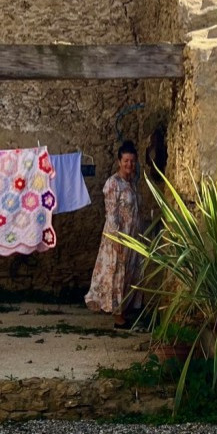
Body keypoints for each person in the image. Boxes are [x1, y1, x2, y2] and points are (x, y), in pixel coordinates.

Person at [84, 140, 143, 328]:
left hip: (132, 235)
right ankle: (118, 317)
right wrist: (116, 237)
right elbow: (111, 212)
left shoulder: (132, 182)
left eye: (132, 161)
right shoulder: (113, 183)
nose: (129, 165)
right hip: (118, 236)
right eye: (126, 161)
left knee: (129, 273)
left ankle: (124, 311)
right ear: (119, 161)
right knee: (118, 273)